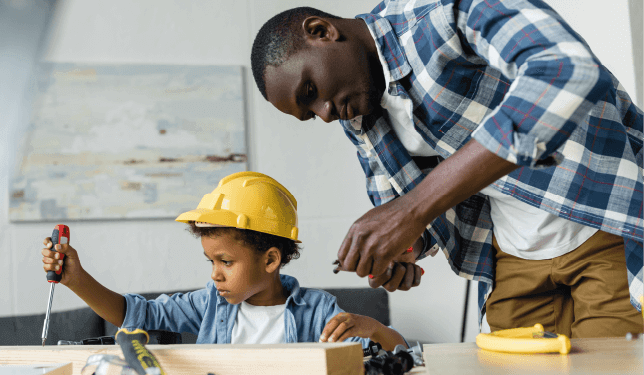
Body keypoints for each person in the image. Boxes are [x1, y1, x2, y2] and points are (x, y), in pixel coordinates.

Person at [251, 0, 643, 337]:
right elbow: (404, 210)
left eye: (311, 91)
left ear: (321, 31)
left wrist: (413, 209)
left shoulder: (443, 12)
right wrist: (406, 249)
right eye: (309, 114)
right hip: (511, 255)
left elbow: (567, 70)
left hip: (604, 225)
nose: (324, 114)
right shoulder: (357, 114)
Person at [41, 171, 409, 349]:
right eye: (210, 262)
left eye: (226, 262)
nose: (215, 275)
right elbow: (140, 314)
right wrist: (77, 279)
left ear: (270, 260)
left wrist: (374, 329)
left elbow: (405, 356)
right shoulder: (210, 304)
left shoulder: (317, 312)